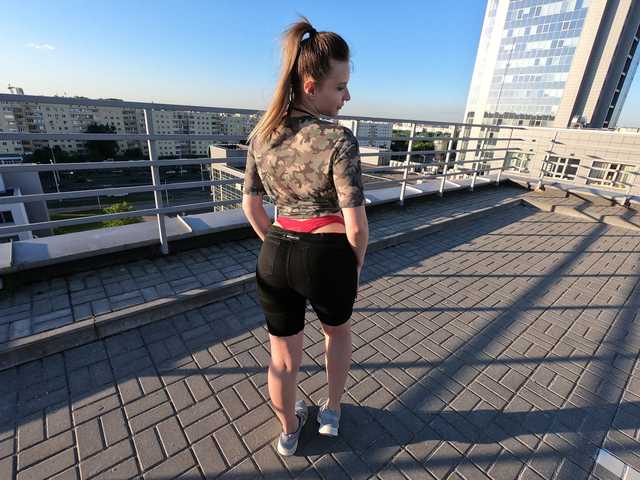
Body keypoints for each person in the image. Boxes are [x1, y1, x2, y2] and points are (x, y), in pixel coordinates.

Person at [241, 16, 369, 456]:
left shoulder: (262, 136)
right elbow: (357, 226)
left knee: (281, 357)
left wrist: (277, 247)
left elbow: (251, 208)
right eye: (341, 87)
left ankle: (288, 431)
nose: (347, 96)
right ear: (311, 86)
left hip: (275, 254)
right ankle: (331, 411)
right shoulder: (339, 140)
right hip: (328, 254)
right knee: (337, 334)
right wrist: (353, 264)